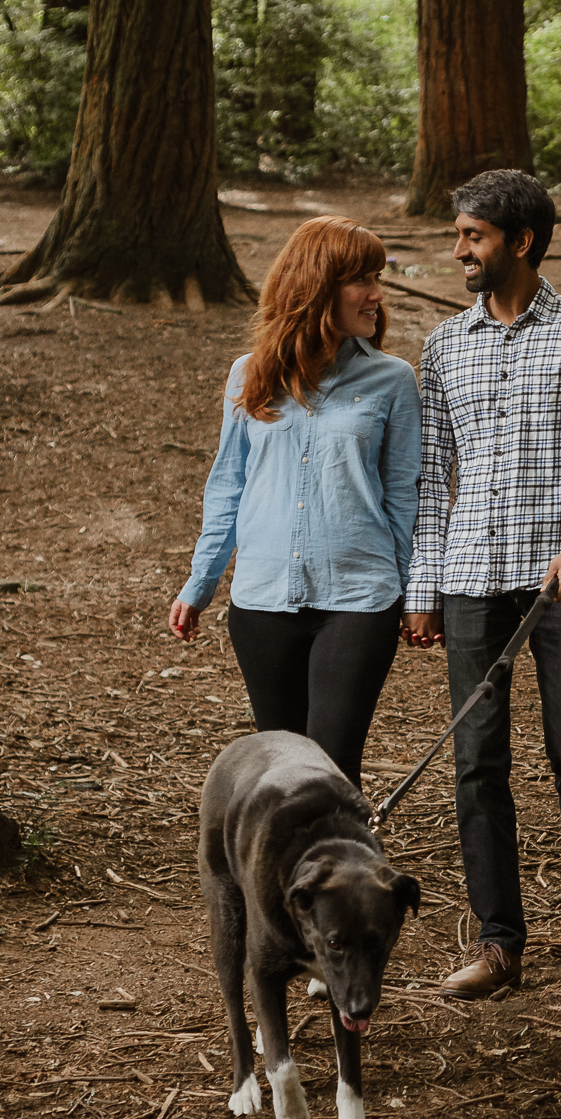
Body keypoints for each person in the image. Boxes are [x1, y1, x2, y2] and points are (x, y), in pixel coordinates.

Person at [402, 168, 561, 1000]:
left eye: (473, 236)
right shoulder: (444, 346)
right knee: (475, 760)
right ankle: (501, 943)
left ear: (520, 242)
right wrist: (422, 586)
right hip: (469, 577)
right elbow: (430, 478)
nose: (458, 249)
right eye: (459, 233)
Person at [171, 217, 421, 786]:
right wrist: (200, 581)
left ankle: (342, 876)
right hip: (261, 600)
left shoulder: (393, 380)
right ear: (315, 285)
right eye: (361, 279)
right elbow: (228, 485)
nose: (376, 295)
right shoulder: (249, 374)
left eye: (377, 278)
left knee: (332, 770)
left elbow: (406, 496)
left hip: (360, 598)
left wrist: (413, 591)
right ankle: (281, 878)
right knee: (280, 773)